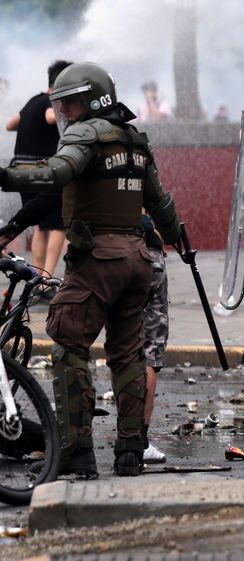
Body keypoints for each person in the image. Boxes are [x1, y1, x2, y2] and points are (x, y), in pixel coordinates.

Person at [0, 62, 182, 477]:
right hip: (139, 259)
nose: (65, 112)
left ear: (90, 99)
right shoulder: (135, 140)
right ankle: (131, 452)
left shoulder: (86, 133)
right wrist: (178, 241)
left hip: (97, 258)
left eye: (69, 103)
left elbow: (56, 175)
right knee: (129, 355)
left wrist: (5, 175)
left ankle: (76, 453)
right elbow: (161, 204)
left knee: (69, 347)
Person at [5, 59, 72, 278]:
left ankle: (37, 277)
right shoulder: (51, 103)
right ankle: (46, 279)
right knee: (59, 226)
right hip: (41, 172)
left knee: (41, 227)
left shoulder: (33, 100)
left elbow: (10, 124)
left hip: (21, 171)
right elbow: (50, 117)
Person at [140, 213, 168, 464]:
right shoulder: (140, 171)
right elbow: (164, 210)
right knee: (150, 350)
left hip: (107, 256)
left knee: (121, 346)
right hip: (148, 254)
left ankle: (126, 436)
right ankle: (139, 440)